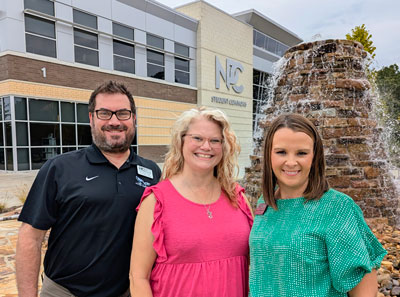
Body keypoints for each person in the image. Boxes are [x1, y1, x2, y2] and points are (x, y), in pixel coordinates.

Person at [16, 81, 161, 297]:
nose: (114, 121)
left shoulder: (151, 172)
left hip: (128, 291)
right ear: (91, 118)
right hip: (65, 292)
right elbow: (31, 237)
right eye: (104, 113)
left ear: (134, 119)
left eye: (122, 113)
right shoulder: (60, 168)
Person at [249, 113, 387, 297]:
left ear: (315, 156)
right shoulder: (264, 202)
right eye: (281, 152)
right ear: (269, 155)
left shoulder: (337, 207)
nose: (291, 162)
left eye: (302, 153)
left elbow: (363, 285)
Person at [130, 107, 253, 297]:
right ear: (181, 141)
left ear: (224, 146)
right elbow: (138, 277)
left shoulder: (237, 197)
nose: (206, 146)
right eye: (197, 138)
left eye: (215, 140)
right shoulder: (156, 201)